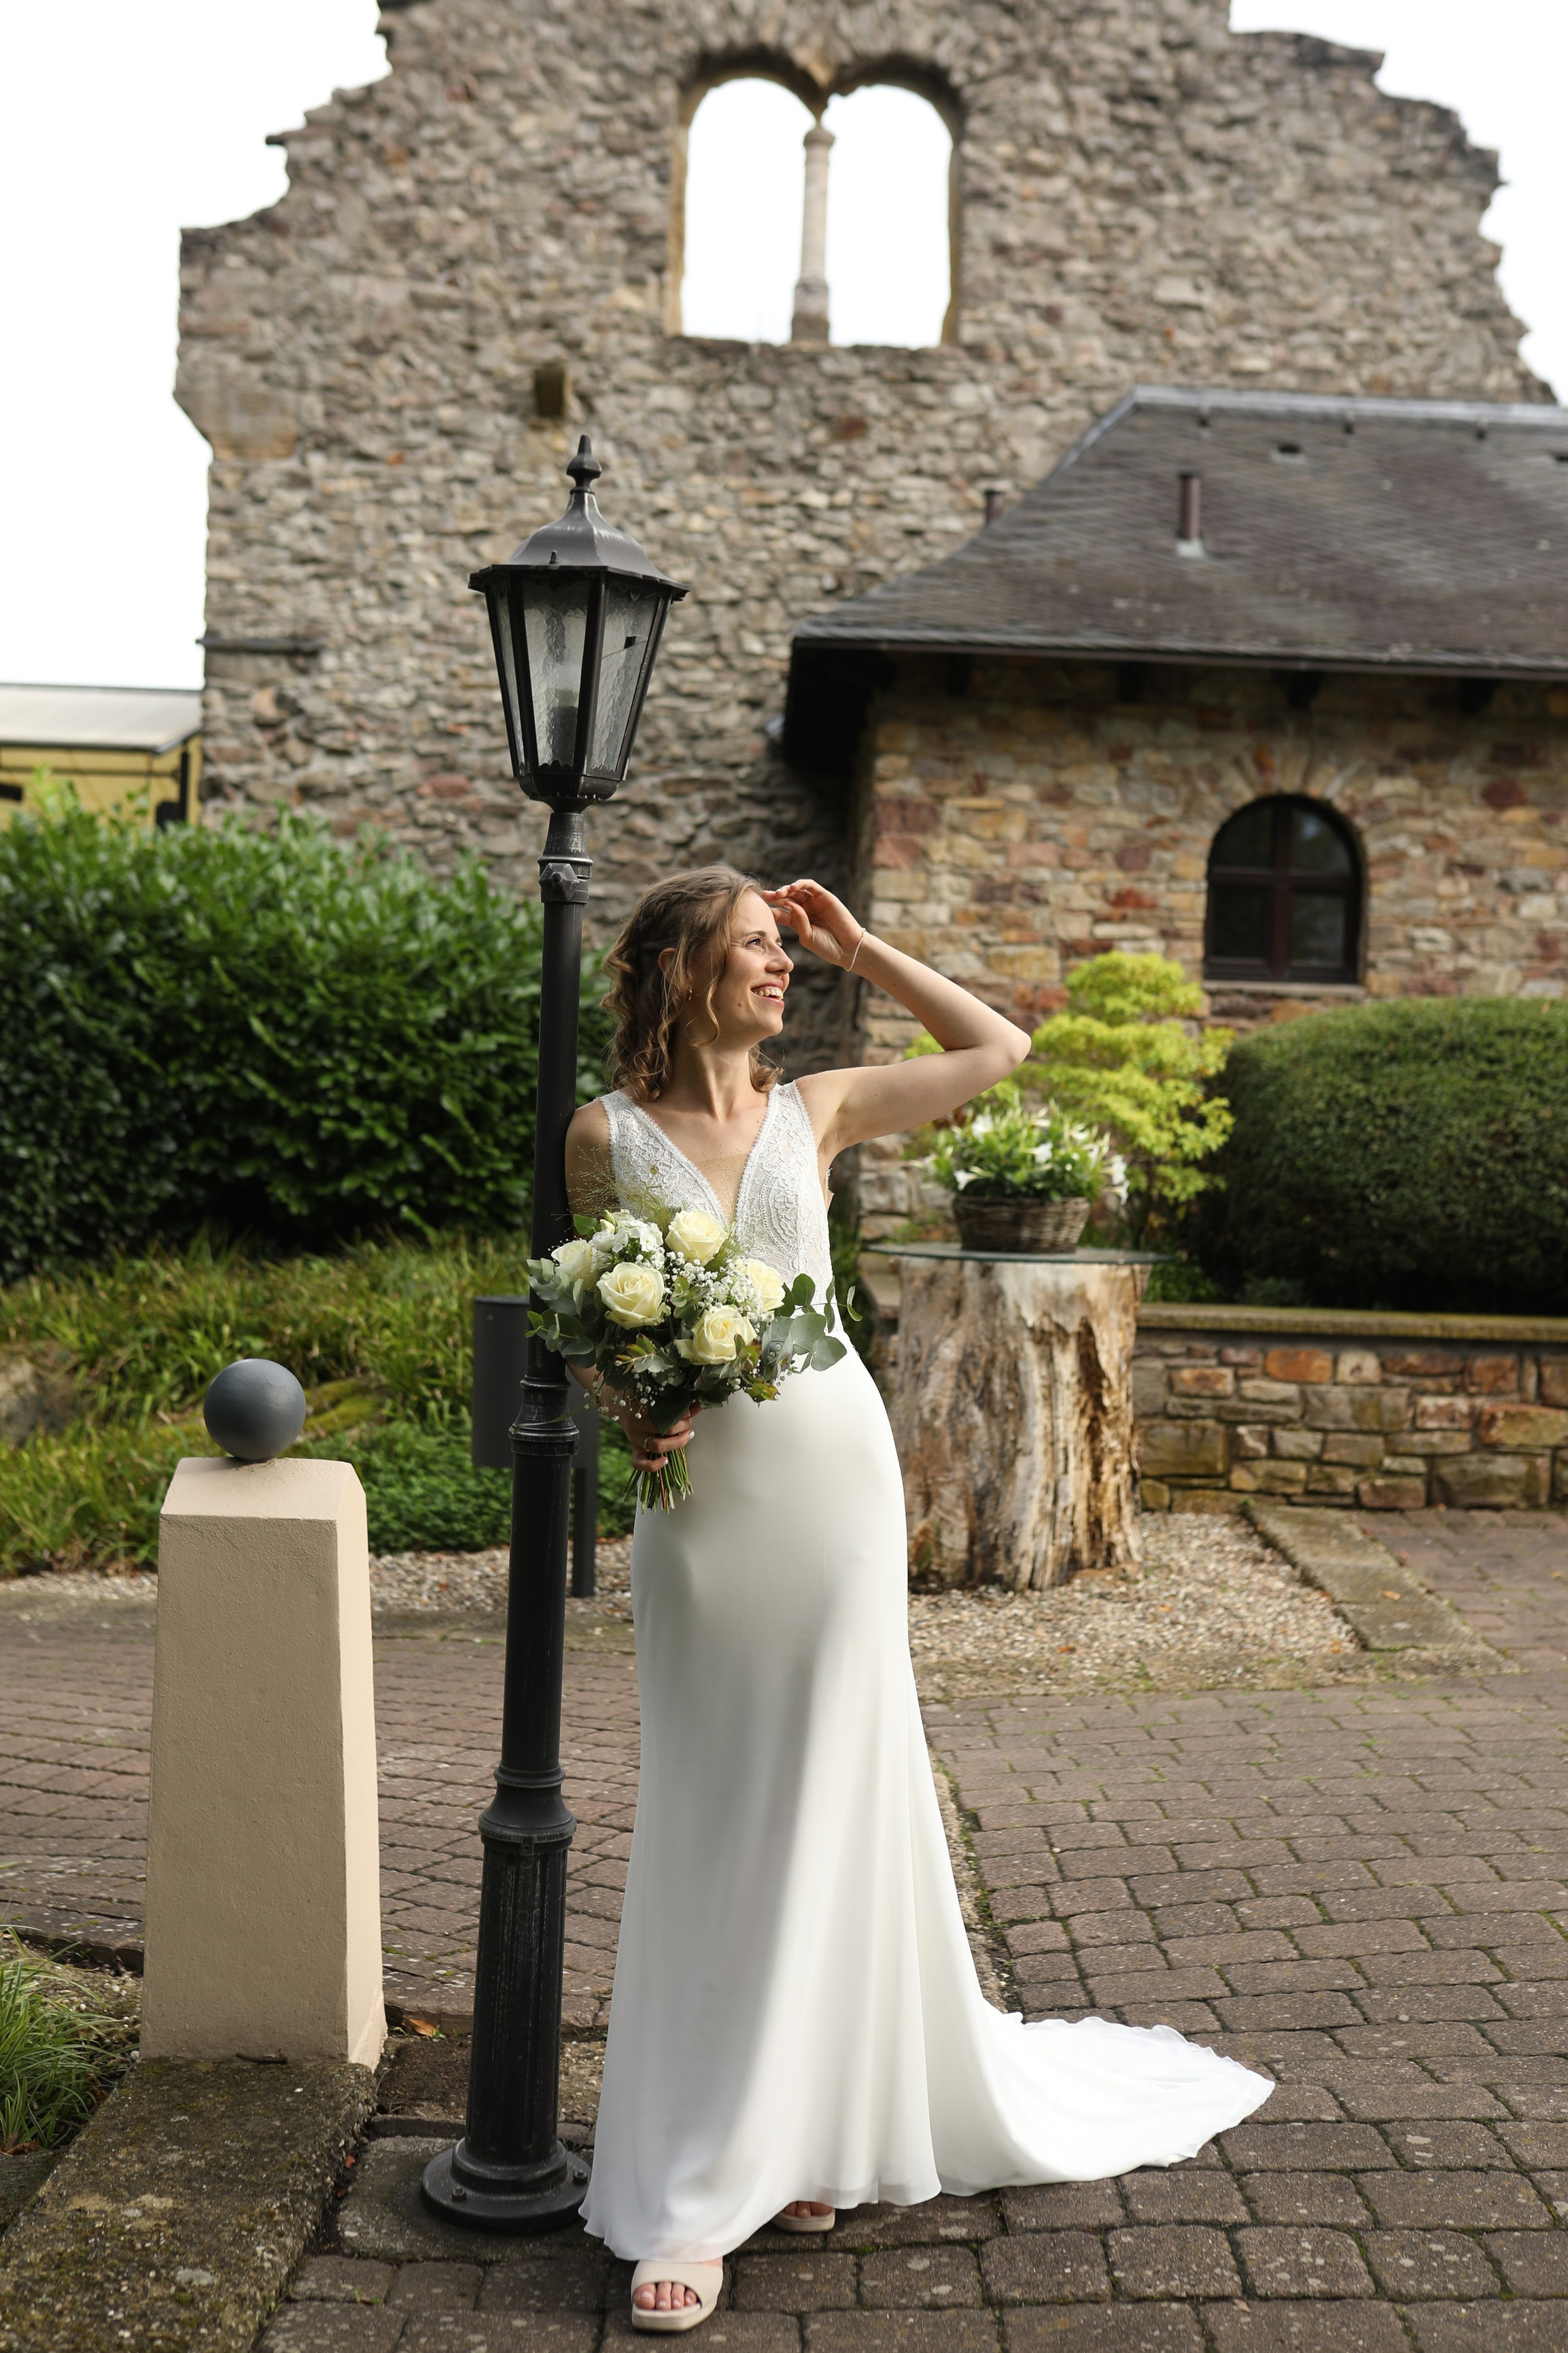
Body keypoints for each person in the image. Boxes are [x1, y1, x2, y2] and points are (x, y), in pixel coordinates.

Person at [564, 867, 1270, 2333]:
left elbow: (993, 1053)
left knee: (831, 1788)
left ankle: (797, 2140)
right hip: (698, 1512)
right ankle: (727, 2152)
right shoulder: (604, 1136)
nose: (777, 969)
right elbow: (588, 1310)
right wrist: (624, 1409)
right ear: (681, 966)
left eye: (780, 947)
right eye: (755, 949)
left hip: (827, 1476)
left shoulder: (812, 1110)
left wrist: (861, 944)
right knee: (717, 1797)